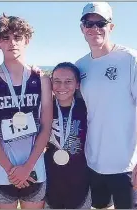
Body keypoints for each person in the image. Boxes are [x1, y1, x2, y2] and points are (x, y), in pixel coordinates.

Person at [75, 2, 137, 209]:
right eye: (88, 23)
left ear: (110, 27)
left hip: (127, 164)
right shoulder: (80, 66)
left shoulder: (131, 59)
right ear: (82, 28)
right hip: (92, 162)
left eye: (100, 23)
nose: (94, 28)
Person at [0, 13, 53, 209]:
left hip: (34, 167)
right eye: (6, 38)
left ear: (27, 40)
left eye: (18, 37)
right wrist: (11, 169)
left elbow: (46, 127)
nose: (12, 43)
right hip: (3, 170)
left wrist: (27, 168)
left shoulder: (42, 80)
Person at [44, 62, 91, 209]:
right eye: (56, 81)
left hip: (80, 179)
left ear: (77, 84)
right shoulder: (44, 107)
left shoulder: (87, 108)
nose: (62, 86)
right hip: (51, 179)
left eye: (68, 82)